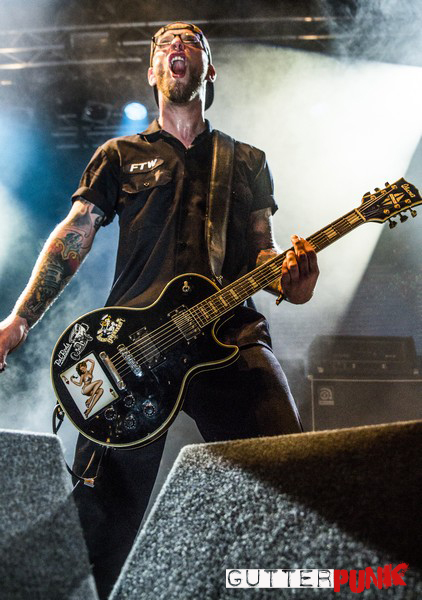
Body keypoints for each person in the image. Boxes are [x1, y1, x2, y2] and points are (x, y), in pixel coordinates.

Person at [0, 22, 319, 599]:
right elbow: (73, 237)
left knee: (289, 478)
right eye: (165, 43)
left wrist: (294, 280)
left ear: (209, 69)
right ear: (151, 71)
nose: (177, 45)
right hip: (130, 351)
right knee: (99, 525)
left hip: (231, 338)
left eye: (192, 41)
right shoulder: (119, 155)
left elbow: (265, 251)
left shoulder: (246, 160)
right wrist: (19, 320)